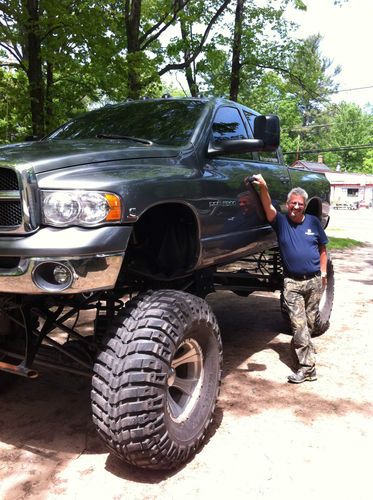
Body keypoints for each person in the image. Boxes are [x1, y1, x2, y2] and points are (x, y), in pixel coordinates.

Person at [251, 174, 328, 384]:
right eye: (293, 203)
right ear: (288, 204)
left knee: (311, 324)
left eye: (300, 204)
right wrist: (263, 188)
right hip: (292, 284)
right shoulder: (281, 222)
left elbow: (323, 249)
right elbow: (268, 207)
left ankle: (305, 351)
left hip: (313, 281)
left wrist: (323, 273)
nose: (296, 207)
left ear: (304, 206)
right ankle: (307, 368)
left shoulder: (313, 222)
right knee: (299, 325)